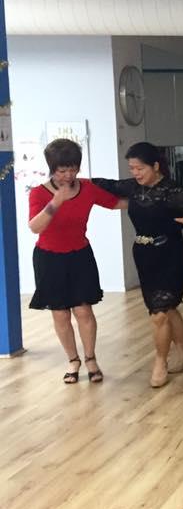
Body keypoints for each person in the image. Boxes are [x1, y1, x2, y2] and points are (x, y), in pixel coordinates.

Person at [93, 142, 183, 388]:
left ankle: (160, 362)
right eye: (132, 168)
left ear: (155, 166)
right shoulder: (132, 187)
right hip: (144, 255)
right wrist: (71, 180)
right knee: (168, 308)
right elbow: (105, 184)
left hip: (171, 254)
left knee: (159, 313)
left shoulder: (173, 190)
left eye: (140, 168)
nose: (135, 173)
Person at [27, 138, 124, 384]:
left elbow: (115, 203)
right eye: (62, 171)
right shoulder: (39, 193)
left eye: (73, 169)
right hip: (49, 258)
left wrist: (156, 204)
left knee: (83, 310)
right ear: (52, 168)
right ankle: (73, 360)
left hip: (80, 255)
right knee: (60, 313)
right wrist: (55, 203)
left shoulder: (87, 188)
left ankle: (91, 359)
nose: (68, 175)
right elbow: (35, 227)